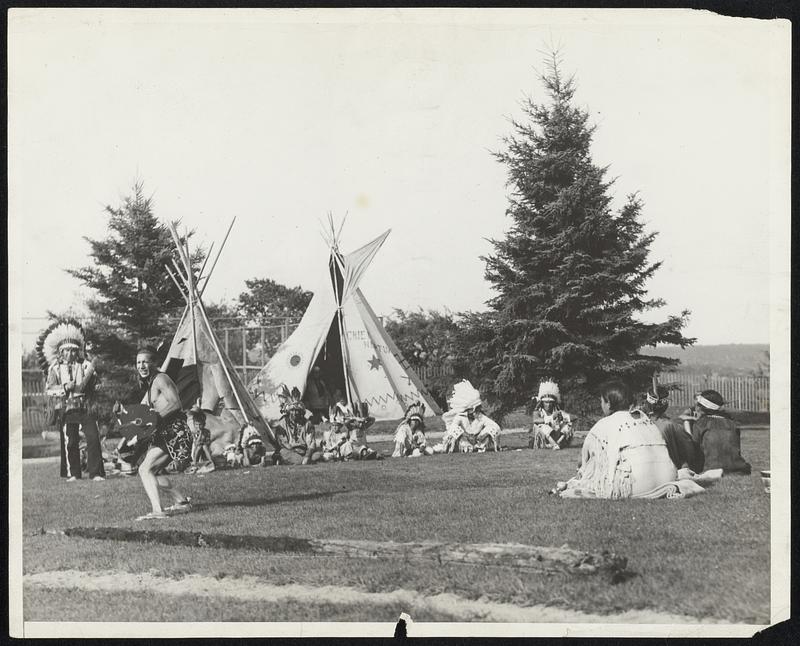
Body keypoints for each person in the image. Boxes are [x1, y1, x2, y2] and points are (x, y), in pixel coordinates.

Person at [555, 380, 678, 499]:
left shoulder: (604, 424)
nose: (601, 405)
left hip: (637, 485)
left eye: (602, 401)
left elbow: (583, 463)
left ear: (608, 403)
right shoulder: (645, 419)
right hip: (668, 478)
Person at [121, 344, 193, 520]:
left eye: (145, 362)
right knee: (151, 470)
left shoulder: (161, 378)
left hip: (175, 433)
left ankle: (157, 511)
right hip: (166, 433)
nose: (141, 366)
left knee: (145, 470)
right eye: (138, 362)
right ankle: (181, 502)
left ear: (154, 363)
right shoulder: (150, 382)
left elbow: (176, 404)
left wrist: (153, 419)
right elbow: (145, 413)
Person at [38, 319, 106, 482]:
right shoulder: (54, 369)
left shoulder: (86, 365)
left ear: (78, 351)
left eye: (74, 351)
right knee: (71, 441)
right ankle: (74, 473)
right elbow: (49, 390)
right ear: (61, 352)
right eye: (67, 351)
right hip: (66, 409)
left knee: (93, 437)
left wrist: (96, 386)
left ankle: (96, 473)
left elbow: (97, 383)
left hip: (86, 407)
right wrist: (64, 388)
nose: (71, 354)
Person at [643, 385, 704, 473]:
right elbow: (690, 452)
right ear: (665, 405)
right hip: (666, 473)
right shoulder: (672, 426)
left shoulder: (636, 424)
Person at [690, 390, 751, 474]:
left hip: (711, 469)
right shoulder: (733, 424)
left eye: (698, 405)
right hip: (738, 469)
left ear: (702, 407)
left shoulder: (700, 424)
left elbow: (695, 450)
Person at [273, 385, 322, 465]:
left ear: (301, 412)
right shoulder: (282, 423)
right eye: (292, 410)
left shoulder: (307, 424)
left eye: (297, 411)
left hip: (304, 451)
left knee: (317, 454)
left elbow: (311, 443)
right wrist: (293, 450)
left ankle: (302, 460)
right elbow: (283, 442)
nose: (295, 413)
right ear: (289, 412)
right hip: (289, 450)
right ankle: (300, 461)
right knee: (283, 452)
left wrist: (307, 455)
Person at [529, 380, 574, 450]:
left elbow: (573, 417)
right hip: (544, 439)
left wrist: (564, 419)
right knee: (542, 426)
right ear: (542, 403)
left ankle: (558, 443)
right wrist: (551, 418)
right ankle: (554, 444)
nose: (548, 405)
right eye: (546, 402)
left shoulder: (557, 411)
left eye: (550, 402)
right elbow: (535, 420)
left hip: (557, 435)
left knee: (568, 426)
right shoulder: (538, 412)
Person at [189, 406, 215, 472]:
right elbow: (196, 443)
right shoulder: (194, 432)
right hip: (196, 451)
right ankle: (195, 462)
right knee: (200, 446)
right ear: (194, 425)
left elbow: (208, 441)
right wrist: (200, 434)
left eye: (200, 425)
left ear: (204, 424)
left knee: (204, 446)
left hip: (204, 450)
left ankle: (210, 461)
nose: (198, 427)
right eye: (196, 425)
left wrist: (204, 442)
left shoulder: (207, 431)